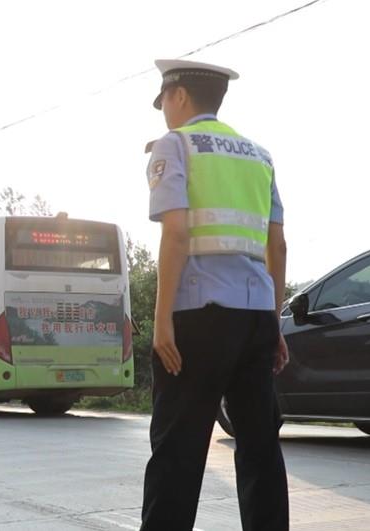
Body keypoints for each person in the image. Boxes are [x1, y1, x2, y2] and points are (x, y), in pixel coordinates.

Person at [140, 59, 290, 531]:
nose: (163, 108)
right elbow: (277, 245)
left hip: (198, 317)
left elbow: (178, 235)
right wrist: (273, 323)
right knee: (260, 448)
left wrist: (162, 318)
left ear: (179, 95)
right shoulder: (258, 155)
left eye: (163, 98)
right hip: (255, 318)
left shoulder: (176, 145)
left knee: (178, 451)